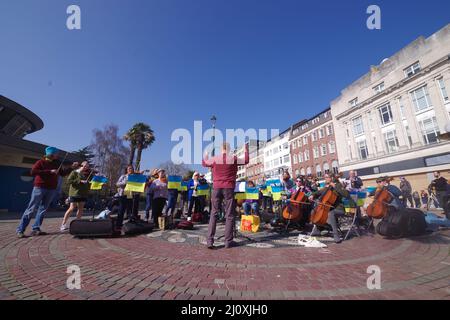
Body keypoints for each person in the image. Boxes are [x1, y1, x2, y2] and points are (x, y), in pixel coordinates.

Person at [16, 147, 76, 238]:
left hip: (51, 189)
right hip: (39, 187)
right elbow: (33, 172)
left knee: (43, 209)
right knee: (31, 209)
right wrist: (49, 171)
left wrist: (71, 168)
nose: (58, 155)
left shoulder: (57, 163)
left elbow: (62, 174)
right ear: (51, 154)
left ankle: (36, 229)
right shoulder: (41, 162)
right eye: (56, 154)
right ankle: (20, 230)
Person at [202, 142, 249, 249]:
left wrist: (206, 154)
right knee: (229, 214)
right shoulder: (233, 158)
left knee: (213, 213)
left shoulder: (215, 158)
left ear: (220, 149)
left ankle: (210, 241)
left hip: (216, 187)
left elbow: (204, 163)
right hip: (229, 187)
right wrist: (245, 150)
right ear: (229, 149)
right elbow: (246, 160)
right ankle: (228, 241)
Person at [309, 173, 350, 244]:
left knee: (331, 213)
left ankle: (336, 235)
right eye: (325, 177)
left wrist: (335, 187)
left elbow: (346, 195)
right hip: (329, 208)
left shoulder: (338, 185)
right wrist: (313, 195)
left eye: (327, 177)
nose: (325, 179)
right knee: (314, 211)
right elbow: (318, 192)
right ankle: (318, 228)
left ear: (331, 178)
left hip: (339, 209)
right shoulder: (327, 187)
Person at [60, 161, 92, 231]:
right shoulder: (74, 172)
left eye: (87, 166)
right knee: (71, 208)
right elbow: (69, 181)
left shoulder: (84, 175)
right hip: (75, 193)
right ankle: (63, 224)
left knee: (80, 209)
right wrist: (80, 181)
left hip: (83, 194)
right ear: (81, 165)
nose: (86, 168)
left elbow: (86, 184)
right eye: (85, 166)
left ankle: (78, 223)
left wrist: (88, 183)